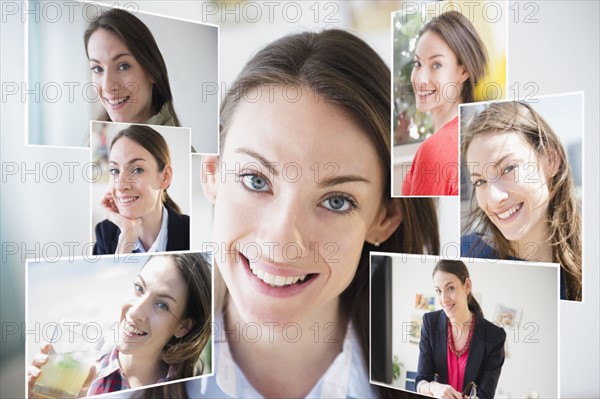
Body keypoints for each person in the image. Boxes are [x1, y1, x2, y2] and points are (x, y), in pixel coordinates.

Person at [28, 253, 212, 396]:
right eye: (139, 288)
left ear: (183, 326)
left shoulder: (195, 391)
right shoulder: (84, 377)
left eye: (162, 305)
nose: (135, 312)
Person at [460, 101, 582, 301]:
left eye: (508, 169)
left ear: (550, 160)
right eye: (480, 181)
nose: (493, 198)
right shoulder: (465, 255)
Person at [402, 11, 488, 196]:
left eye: (436, 65)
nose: (420, 79)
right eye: (417, 64)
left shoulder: (435, 150)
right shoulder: (472, 134)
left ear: (464, 71)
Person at [93, 125, 189, 255]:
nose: (120, 186)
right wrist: (127, 236)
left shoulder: (190, 232)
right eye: (114, 170)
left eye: (137, 170)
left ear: (165, 177)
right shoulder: (105, 233)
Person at [416, 260, 506, 399]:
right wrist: (433, 387)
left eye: (450, 288)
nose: (444, 299)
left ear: (467, 286)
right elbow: (420, 382)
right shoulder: (429, 323)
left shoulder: (495, 336)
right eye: (439, 291)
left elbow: (486, 395)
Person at [84, 8, 181, 126]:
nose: (107, 87)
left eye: (123, 66)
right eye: (98, 69)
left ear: (153, 69)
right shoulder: (96, 140)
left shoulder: (179, 145)